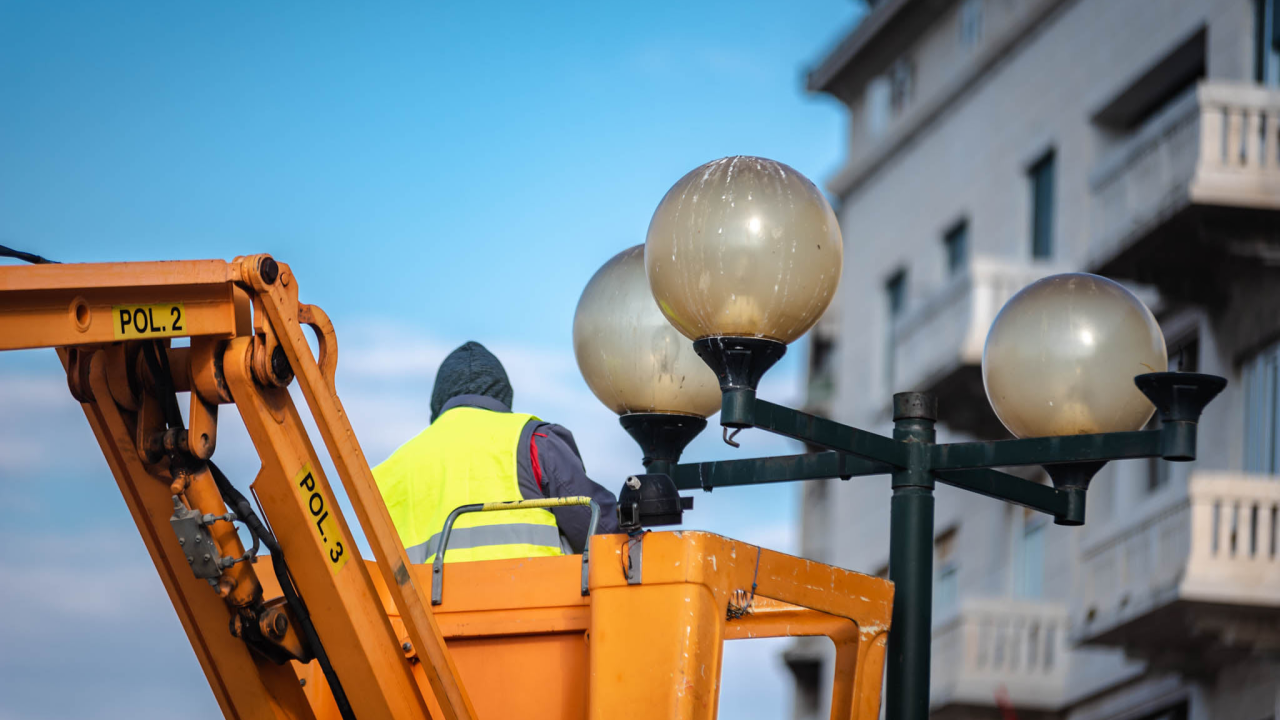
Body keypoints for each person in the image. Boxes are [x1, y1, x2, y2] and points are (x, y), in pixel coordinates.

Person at [373, 341, 618, 564]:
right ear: (503, 398)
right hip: (536, 610)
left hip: (422, 613)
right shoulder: (532, 441)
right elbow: (605, 534)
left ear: (438, 405)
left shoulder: (387, 475)